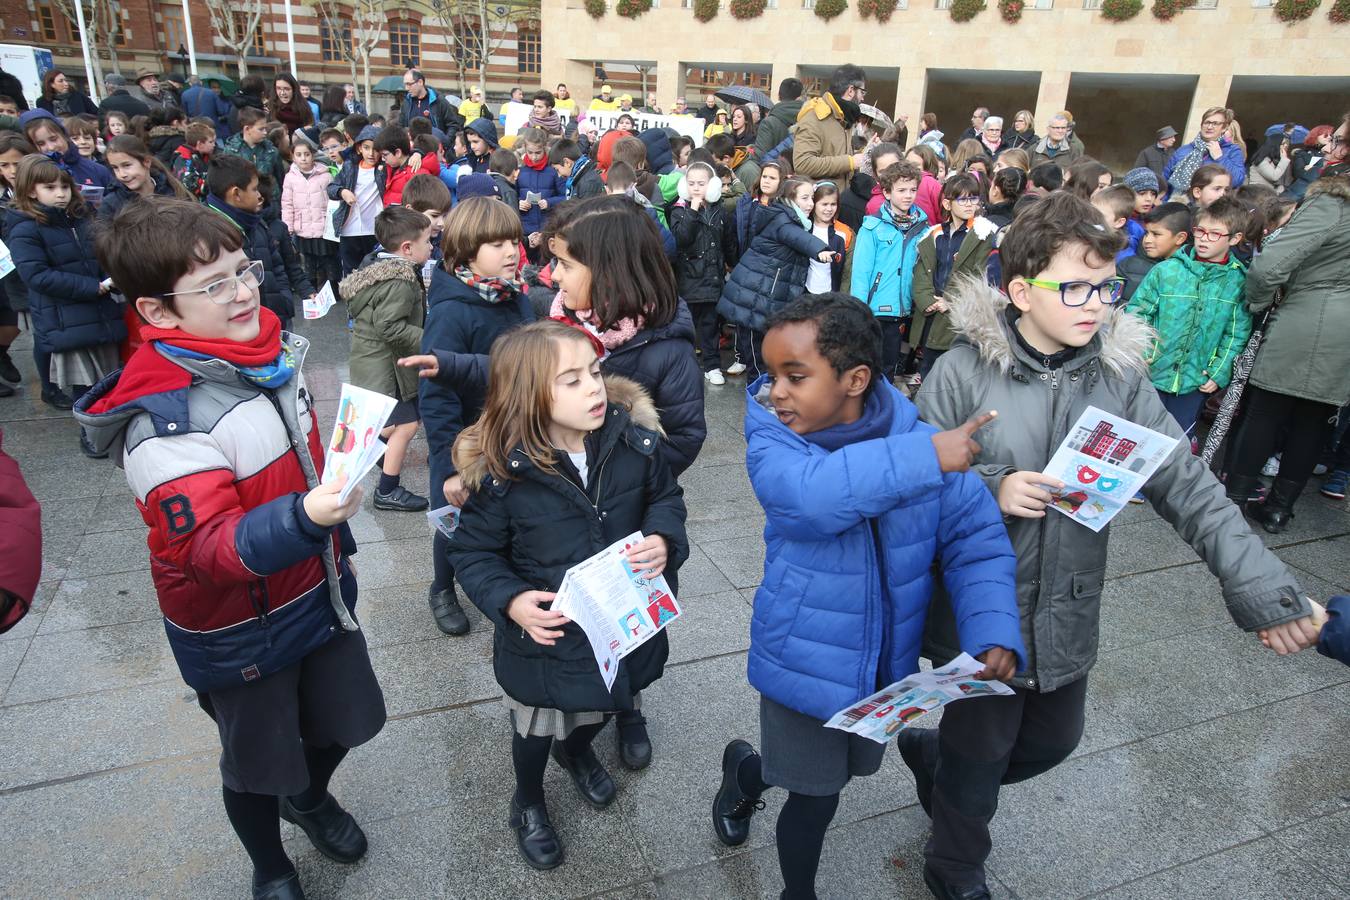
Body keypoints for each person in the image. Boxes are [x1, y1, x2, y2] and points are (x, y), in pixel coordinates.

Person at [908, 190, 1321, 900]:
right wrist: (991, 484)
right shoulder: (960, 370)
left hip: (1068, 602)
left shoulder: (1121, 378)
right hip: (982, 607)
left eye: (1106, 287)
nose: (1095, 303)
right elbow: (913, 476)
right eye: (1074, 286)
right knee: (980, 754)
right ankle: (954, 866)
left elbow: (1188, 485)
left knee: (1050, 741)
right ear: (1019, 291)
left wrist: (1263, 592)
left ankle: (933, 763)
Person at [74, 196, 386, 900]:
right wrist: (309, 517)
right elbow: (206, 550)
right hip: (237, 627)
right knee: (255, 766)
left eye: (242, 270)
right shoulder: (163, 418)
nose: (245, 291)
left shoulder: (269, 354)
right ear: (157, 312)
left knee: (347, 722)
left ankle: (307, 800)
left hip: (319, 584)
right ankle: (270, 865)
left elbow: (304, 467)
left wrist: (331, 534)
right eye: (213, 285)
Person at [710, 291, 1023, 900]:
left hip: (883, 667)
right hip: (802, 659)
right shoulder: (779, 441)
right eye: (772, 373)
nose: (775, 391)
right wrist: (925, 458)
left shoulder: (924, 446)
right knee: (814, 795)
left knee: (833, 774)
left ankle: (744, 772)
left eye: (795, 376)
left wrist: (991, 630)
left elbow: (976, 543)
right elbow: (810, 500)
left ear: (856, 379)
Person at [442, 316, 686, 870]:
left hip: (622, 623)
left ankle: (576, 756)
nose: (594, 388)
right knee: (537, 727)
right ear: (529, 395)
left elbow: (666, 498)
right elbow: (473, 552)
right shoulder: (505, 474)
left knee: (603, 708)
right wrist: (510, 602)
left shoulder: (633, 441)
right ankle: (528, 800)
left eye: (595, 372)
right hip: (547, 639)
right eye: (571, 380)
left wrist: (664, 538)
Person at [419, 196, 532, 636]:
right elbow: (437, 394)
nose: (511, 252)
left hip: (514, 434)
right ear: (466, 251)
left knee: (503, 515)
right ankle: (442, 587)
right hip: (464, 443)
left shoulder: (516, 297)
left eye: (514, 241)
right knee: (454, 520)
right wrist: (450, 468)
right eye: (497, 244)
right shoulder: (452, 310)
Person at [1223, 174, 1350, 532]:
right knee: (1316, 420)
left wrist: (1261, 303)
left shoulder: (1333, 202)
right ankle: (1279, 509)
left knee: (1266, 412)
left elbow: (1268, 266)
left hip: (1309, 317)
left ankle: (1234, 500)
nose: (1329, 148)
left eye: (1339, 141)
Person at [7, 153, 124, 457]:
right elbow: (36, 275)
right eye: (50, 188)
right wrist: (93, 287)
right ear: (31, 190)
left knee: (111, 375)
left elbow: (99, 253)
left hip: (99, 309)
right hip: (64, 316)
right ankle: (89, 435)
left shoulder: (81, 217)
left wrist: (111, 275)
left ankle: (113, 428)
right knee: (85, 382)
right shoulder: (25, 227)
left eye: (64, 186)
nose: (61, 193)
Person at [1126, 195, 1248, 439]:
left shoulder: (1238, 281)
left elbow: (1235, 333)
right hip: (1152, 373)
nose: (1204, 238)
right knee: (1136, 435)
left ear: (1235, 239)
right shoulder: (1167, 270)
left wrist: (1219, 372)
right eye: (1200, 231)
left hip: (1195, 380)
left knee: (1175, 440)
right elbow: (1138, 313)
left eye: (1215, 234)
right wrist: (1144, 353)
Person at [340, 205, 434, 513]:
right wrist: (428, 340)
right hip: (386, 367)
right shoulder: (401, 281)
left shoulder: (378, 266)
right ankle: (388, 489)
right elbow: (390, 326)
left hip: (372, 360)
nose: (432, 247)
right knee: (407, 426)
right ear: (407, 249)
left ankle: (373, 448)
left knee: (397, 423)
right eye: (428, 242)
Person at [719, 176, 833, 381]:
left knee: (766, 359)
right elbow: (798, 239)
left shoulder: (797, 221)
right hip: (752, 300)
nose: (810, 203)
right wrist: (820, 250)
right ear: (790, 200)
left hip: (763, 298)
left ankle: (764, 400)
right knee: (757, 361)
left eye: (812, 198)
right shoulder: (783, 220)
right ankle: (756, 404)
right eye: (805, 198)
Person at [911, 173, 998, 381]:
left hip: (960, 312)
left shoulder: (983, 233)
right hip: (932, 310)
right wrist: (927, 299)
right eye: (963, 199)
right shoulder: (933, 234)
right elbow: (922, 271)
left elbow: (979, 274)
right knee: (927, 368)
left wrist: (950, 301)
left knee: (953, 371)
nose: (969, 204)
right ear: (947, 204)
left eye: (974, 198)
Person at [851, 161, 929, 379]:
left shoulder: (923, 226)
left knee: (890, 367)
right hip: (875, 309)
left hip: (903, 308)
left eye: (913, 190)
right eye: (902, 190)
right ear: (886, 192)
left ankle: (885, 407)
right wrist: (859, 309)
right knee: (868, 365)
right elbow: (861, 272)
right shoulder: (872, 227)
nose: (908, 195)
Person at [205, 155, 299, 330]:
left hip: (276, 320)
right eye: (254, 189)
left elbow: (277, 268)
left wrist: (284, 302)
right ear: (236, 194)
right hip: (244, 325)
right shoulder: (209, 234)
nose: (259, 195)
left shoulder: (254, 222)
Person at [670, 161, 739, 385]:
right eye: (691, 183)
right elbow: (682, 238)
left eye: (701, 183)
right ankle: (685, 367)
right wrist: (692, 209)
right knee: (686, 327)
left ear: (713, 185)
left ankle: (712, 366)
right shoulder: (679, 210)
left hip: (712, 280)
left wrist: (733, 264)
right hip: (688, 280)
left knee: (710, 328)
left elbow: (728, 242)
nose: (696, 188)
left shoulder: (720, 210)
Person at [282, 138, 339, 295]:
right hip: (303, 227)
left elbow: (333, 202)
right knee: (308, 261)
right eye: (298, 154)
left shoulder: (325, 175)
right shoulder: (290, 178)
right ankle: (310, 291)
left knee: (329, 259)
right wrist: (288, 226)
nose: (303, 158)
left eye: (306, 154)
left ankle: (333, 290)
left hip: (323, 226)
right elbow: (287, 203)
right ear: (293, 156)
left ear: (313, 155)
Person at [793, 64, 868, 183]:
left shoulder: (844, 117)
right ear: (850, 91)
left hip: (839, 198)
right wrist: (850, 162)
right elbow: (803, 163)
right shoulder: (815, 117)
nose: (863, 98)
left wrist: (866, 151)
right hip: (819, 199)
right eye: (862, 92)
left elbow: (837, 155)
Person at [329, 125, 385, 276]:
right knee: (351, 273)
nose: (371, 153)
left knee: (374, 272)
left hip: (374, 229)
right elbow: (332, 188)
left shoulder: (383, 169)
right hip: (350, 228)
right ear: (359, 148)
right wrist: (343, 192)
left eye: (376, 149)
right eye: (367, 148)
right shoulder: (350, 167)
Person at [20, 109, 113, 191]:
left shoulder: (97, 170)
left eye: (53, 139)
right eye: (41, 143)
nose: (51, 147)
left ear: (64, 135)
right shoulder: (30, 177)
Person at [1118, 201, 1190, 303]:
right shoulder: (1127, 266)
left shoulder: (1193, 272)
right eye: (1146, 233)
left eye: (1156, 234)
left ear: (1180, 238)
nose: (1147, 240)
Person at [1165, 107, 1246, 197]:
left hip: (1211, 207)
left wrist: (1220, 158)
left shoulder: (1232, 150)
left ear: (1224, 128)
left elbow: (1237, 180)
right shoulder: (1184, 150)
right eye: (1207, 122)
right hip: (1178, 204)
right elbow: (1166, 179)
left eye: (1215, 123)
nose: (1209, 127)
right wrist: (1163, 202)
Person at [221, 107, 287, 204]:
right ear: (247, 129)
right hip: (243, 203)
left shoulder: (271, 150)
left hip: (270, 201)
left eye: (266, 128)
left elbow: (280, 177)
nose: (265, 132)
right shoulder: (231, 151)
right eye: (261, 129)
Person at [515, 128, 562, 262]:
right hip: (525, 230)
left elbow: (566, 196)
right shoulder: (519, 170)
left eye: (538, 153)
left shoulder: (554, 170)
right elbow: (512, 194)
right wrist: (519, 202)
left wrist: (549, 202)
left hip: (547, 229)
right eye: (530, 152)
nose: (534, 157)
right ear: (524, 148)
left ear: (545, 149)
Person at [807, 180, 851, 294]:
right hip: (806, 293)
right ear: (814, 203)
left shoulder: (844, 232)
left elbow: (847, 272)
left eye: (833, 204)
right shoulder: (804, 228)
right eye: (824, 204)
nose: (829, 209)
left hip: (832, 295)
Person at [398, 69, 463, 137]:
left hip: (434, 146)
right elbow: (401, 126)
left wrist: (446, 142)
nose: (406, 88)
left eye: (409, 84)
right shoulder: (406, 103)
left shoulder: (439, 101)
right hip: (412, 147)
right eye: (405, 84)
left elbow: (453, 125)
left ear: (420, 82)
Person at [1091, 183, 1139, 261]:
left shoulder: (1123, 258)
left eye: (1100, 215)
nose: (1092, 217)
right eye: (1090, 211)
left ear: (1119, 222)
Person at [1285, 124, 1333, 201]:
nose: (1329, 137)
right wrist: (1310, 171)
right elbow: (1297, 174)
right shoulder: (1303, 153)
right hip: (1301, 194)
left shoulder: (1332, 154)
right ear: (1315, 136)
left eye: (1331, 135)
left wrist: (1314, 168)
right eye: (1325, 135)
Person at [905, 144, 945, 224]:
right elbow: (944, 217)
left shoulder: (932, 185)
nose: (909, 168)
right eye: (907, 164)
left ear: (928, 166)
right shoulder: (933, 185)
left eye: (915, 166)